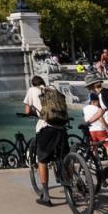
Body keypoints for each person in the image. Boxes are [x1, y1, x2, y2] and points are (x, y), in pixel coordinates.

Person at [23, 76, 68, 207]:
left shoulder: (32, 90)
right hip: (61, 127)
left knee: (42, 160)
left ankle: (46, 195)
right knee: (64, 157)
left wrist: (31, 112)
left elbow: (27, 110)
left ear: (33, 83)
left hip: (45, 128)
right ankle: (75, 185)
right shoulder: (52, 90)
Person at [83, 91, 108, 156]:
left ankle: (96, 163)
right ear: (95, 101)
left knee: (94, 147)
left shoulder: (84, 109)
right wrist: (107, 129)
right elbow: (101, 119)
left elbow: (85, 119)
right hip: (100, 130)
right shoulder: (97, 108)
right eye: (98, 101)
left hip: (91, 131)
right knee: (107, 145)